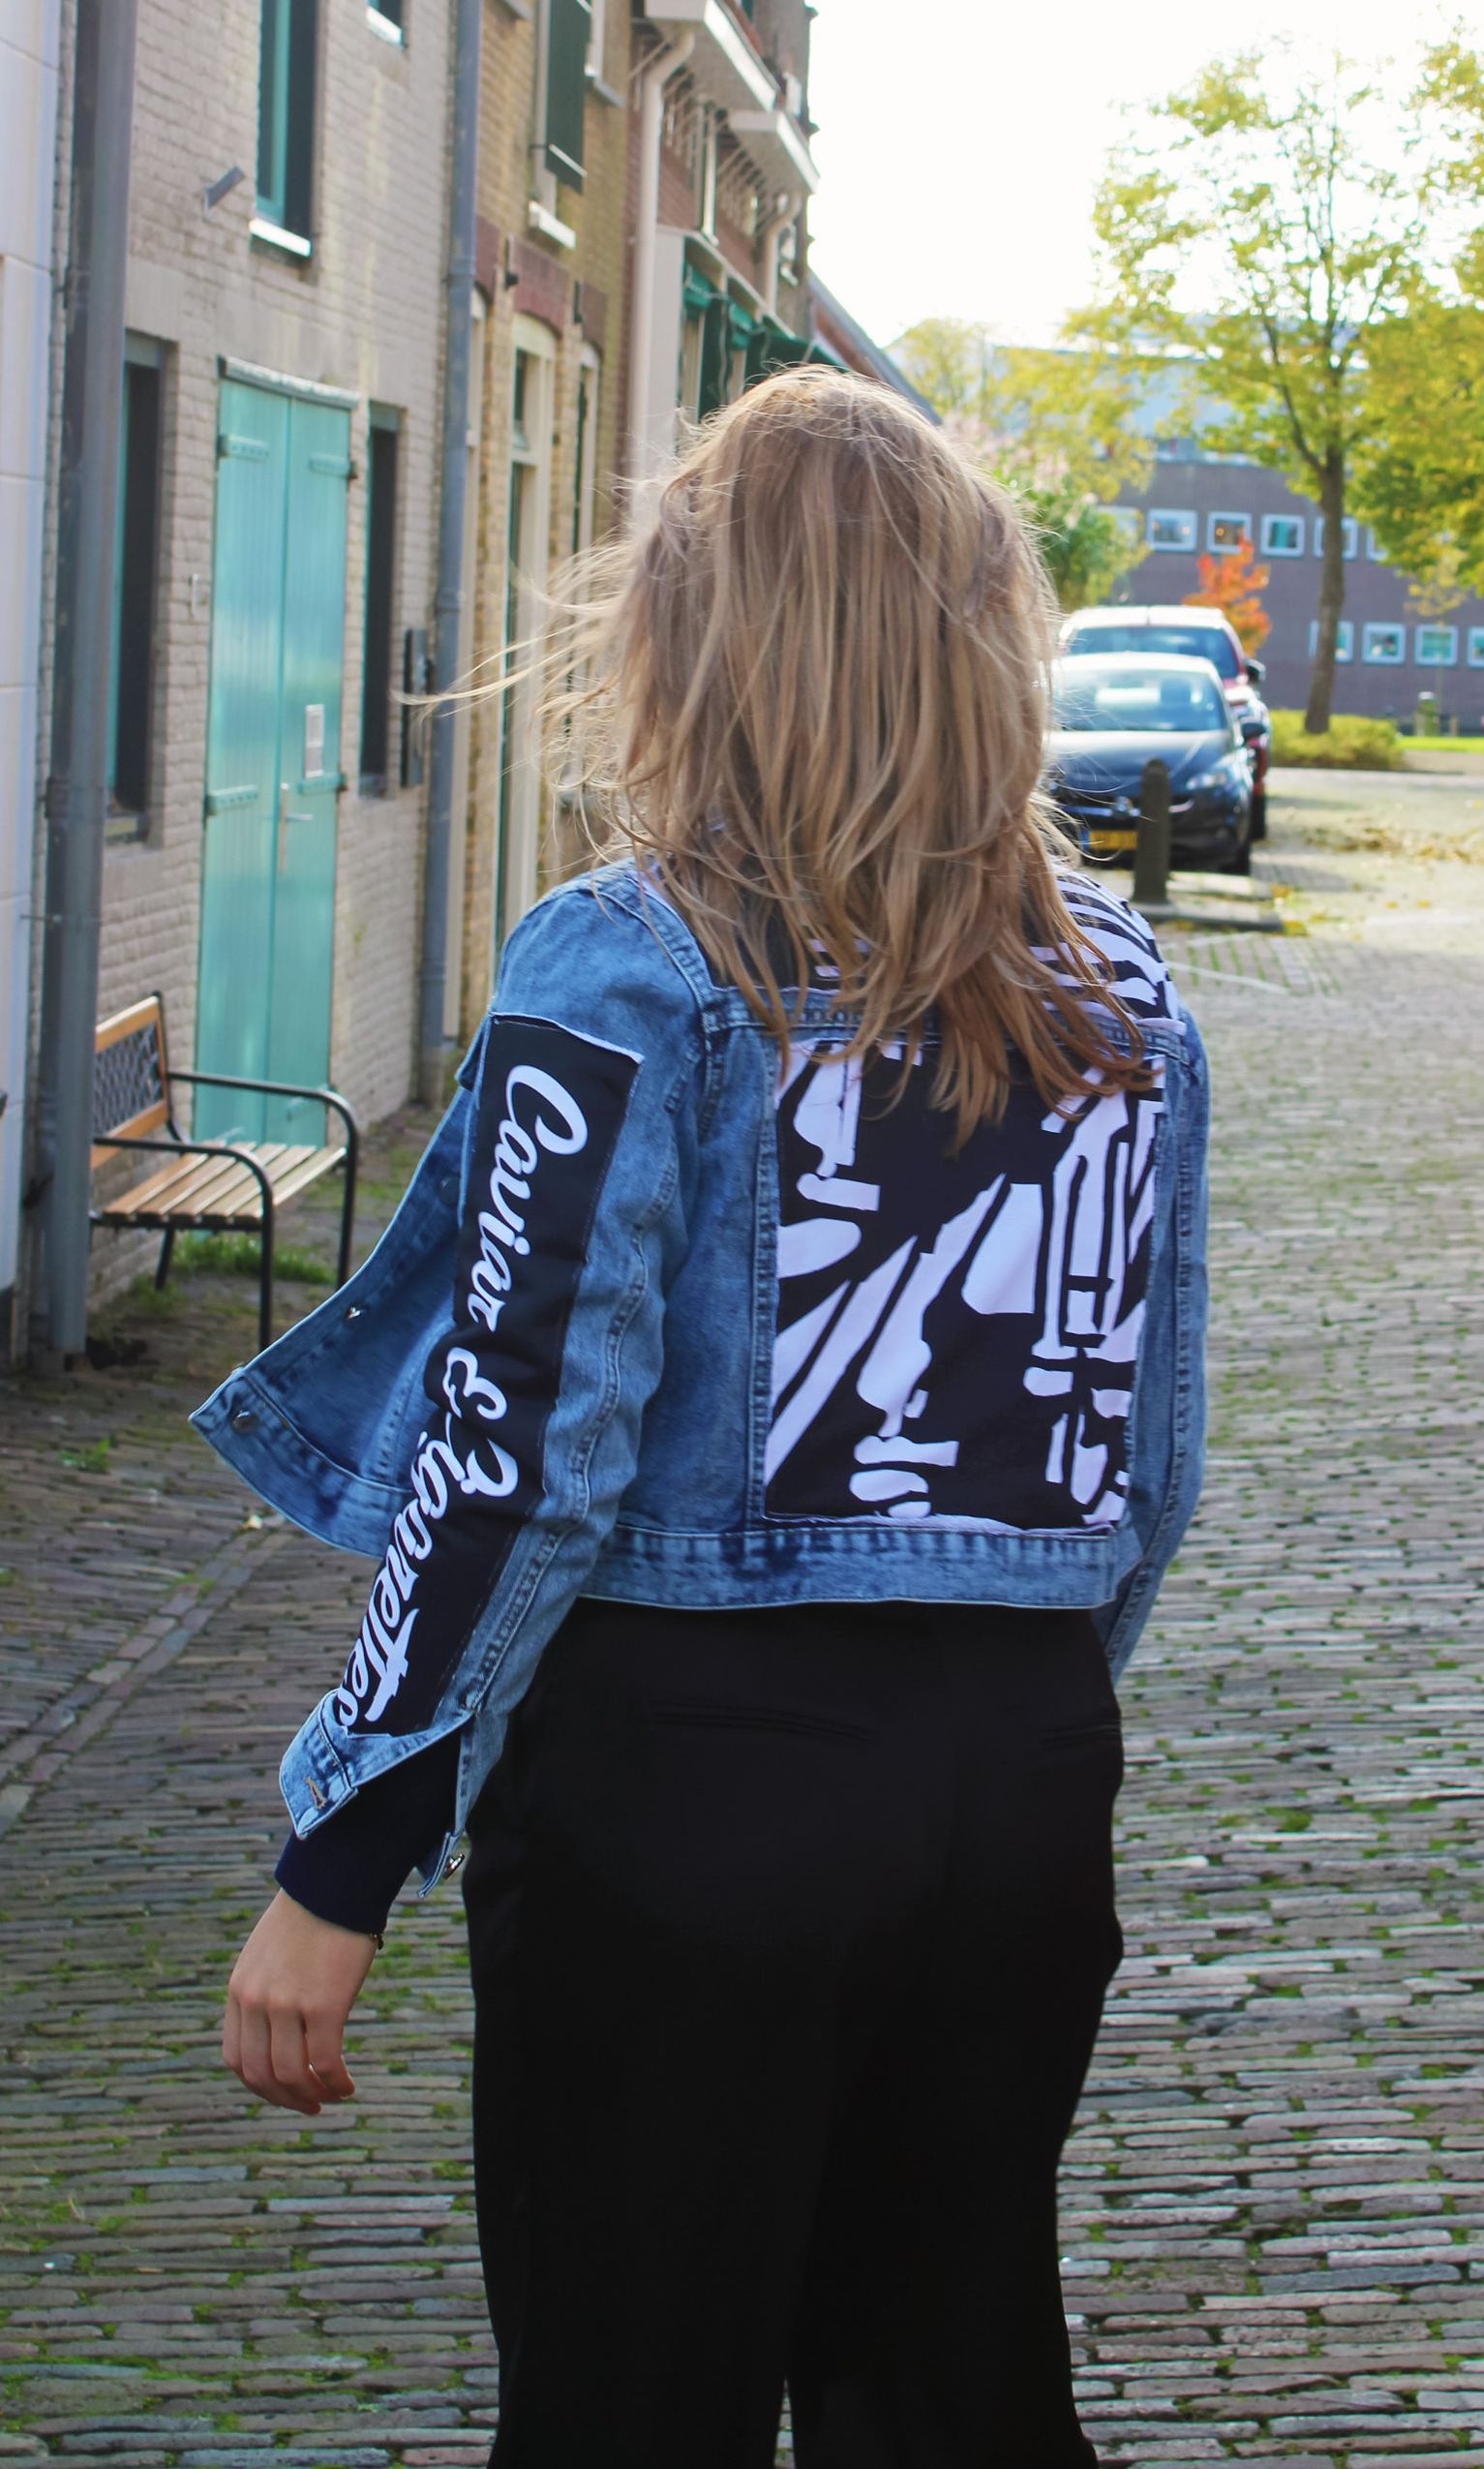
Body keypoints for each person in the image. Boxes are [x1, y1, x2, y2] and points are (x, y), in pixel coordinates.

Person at [200, 370, 1210, 2469]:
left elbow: (518, 1459)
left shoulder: (628, 965)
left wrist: (346, 1851)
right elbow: (1147, 1458)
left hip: (686, 1799)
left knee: (628, 2413)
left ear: (694, 641)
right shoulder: (1119, 989)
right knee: (950, 2409)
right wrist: (1001, 1716)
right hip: (1021, 1787)